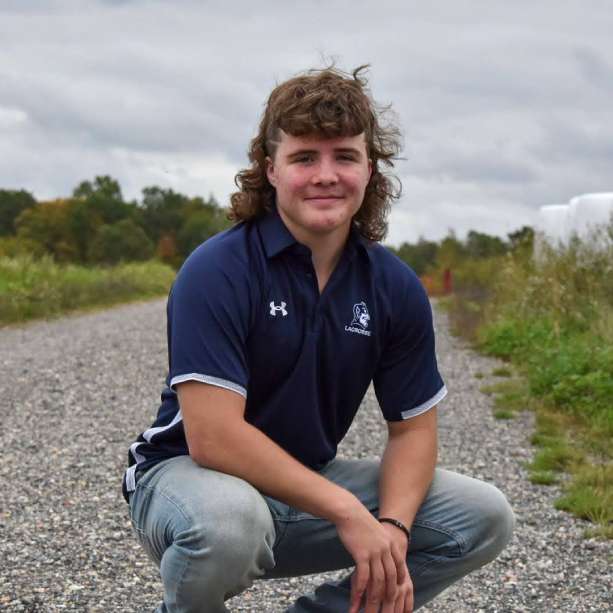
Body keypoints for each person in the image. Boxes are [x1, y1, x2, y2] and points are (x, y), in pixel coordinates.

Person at [123, 66, 514, 613]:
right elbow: (213, 438)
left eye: (344, 157)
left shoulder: (393, 285)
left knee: (482, 516)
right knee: (229, 525)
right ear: (272, 170)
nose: (326, 175)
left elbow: (413, 431)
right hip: (189, 478)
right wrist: (348, 512)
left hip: (304, 484)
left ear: (369, 169)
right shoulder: (219, 269)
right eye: (305, 157)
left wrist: (393, 530)